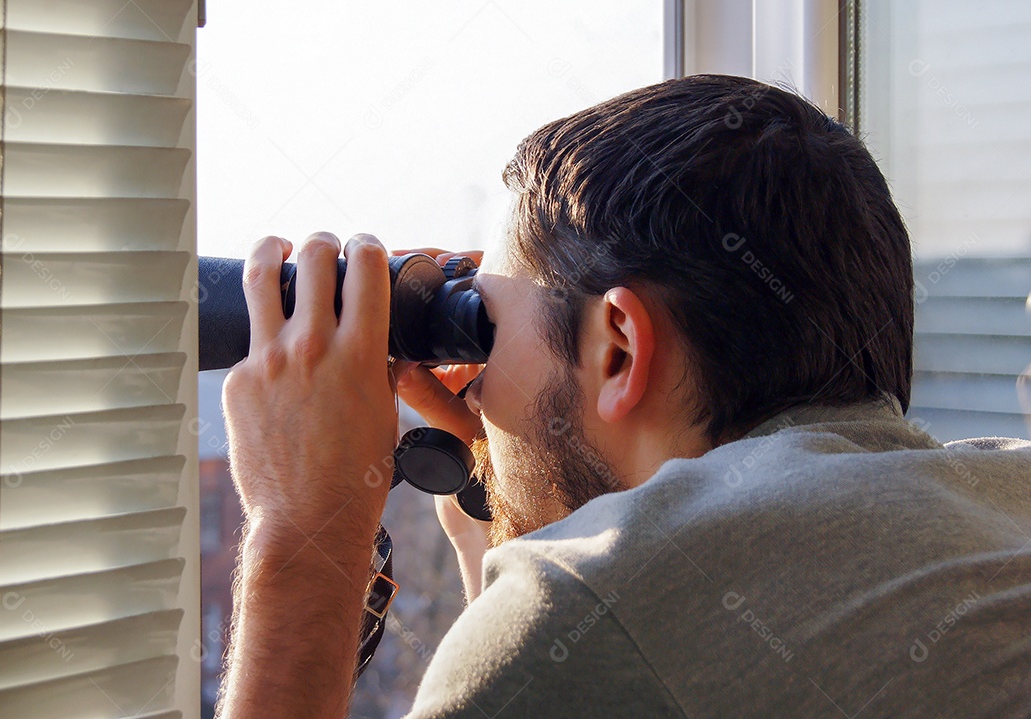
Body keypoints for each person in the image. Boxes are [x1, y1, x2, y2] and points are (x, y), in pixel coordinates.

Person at [215, 75, 1031, 718]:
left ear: (620, 348)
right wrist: (509, 513)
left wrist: (299, 531)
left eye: (485, 328)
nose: (478, 390)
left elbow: (601, 636)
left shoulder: (590, 606)